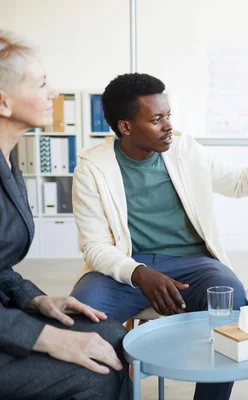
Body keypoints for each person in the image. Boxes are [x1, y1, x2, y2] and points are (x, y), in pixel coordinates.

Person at [68, 72, 248, 400]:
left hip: (192, 265)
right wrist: (139, 273)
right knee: (81, 316)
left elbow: (240, 183)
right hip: (126, 268)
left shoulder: (185, 150)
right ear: (125, 127)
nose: (168, 126)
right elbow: (95, 246)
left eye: (168, 116)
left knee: (232, 296)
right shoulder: (91, 168)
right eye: (156, 119)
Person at [0, 30, 128, 400]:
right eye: (41, 84)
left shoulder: (10, 161)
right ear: (4, 103)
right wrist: (47, 338)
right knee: (97, 374)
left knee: (114, 335)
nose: (54, 93)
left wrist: (35, 300)